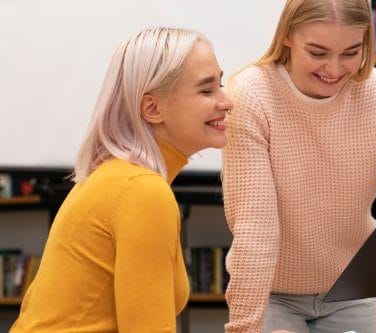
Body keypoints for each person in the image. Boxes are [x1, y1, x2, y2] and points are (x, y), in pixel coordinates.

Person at [221, 0, 376, 332]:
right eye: (318, 53)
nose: (334, 69)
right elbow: (256, 225)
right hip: (271, 294)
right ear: (287, 36)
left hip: (354, 290)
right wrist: (244, 326)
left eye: (351, 53)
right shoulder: (251, 95)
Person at [11, 27, 233, 332]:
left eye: (220, 84)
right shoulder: (141, 191)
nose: (227, 101)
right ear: (153, 109)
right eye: (207, 91)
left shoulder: (118, 177)